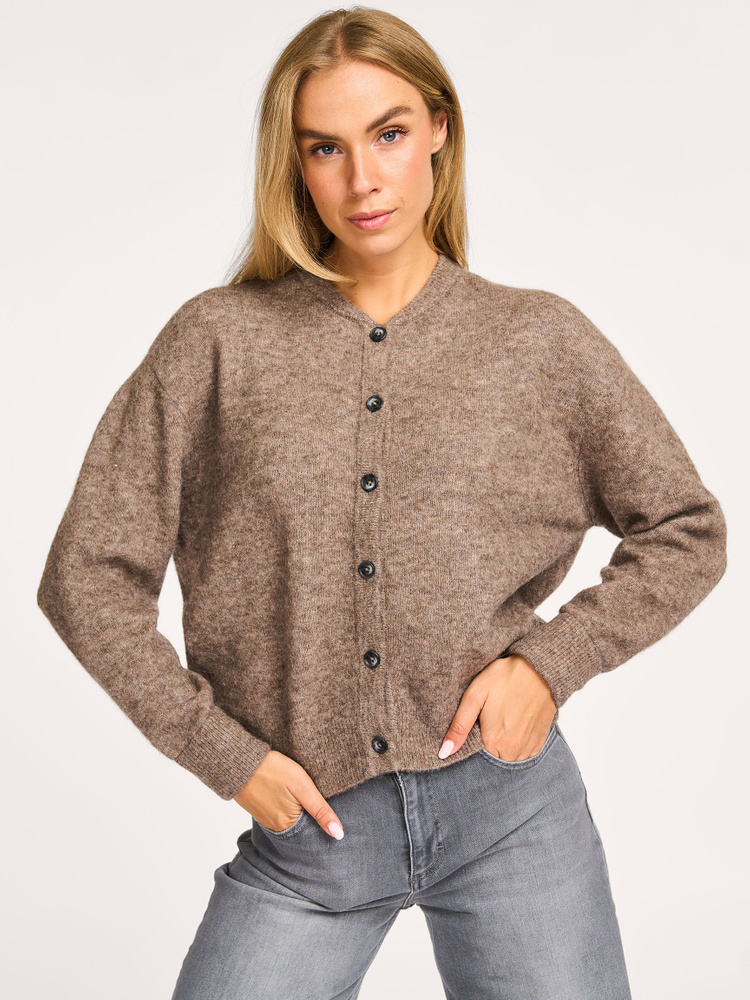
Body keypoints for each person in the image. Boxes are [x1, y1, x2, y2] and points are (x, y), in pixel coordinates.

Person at [36, 7, 727, 999]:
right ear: (294, 163)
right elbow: (86, 576)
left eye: (389, 133)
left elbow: (688, 529)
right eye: (327, 147)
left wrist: (550, 664)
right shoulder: (218, 343)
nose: (363, 178)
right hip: (309, 838)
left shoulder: (537, 341)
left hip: (511, 812)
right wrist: (225, 755)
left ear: (440, 127)